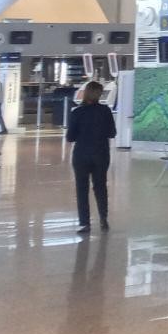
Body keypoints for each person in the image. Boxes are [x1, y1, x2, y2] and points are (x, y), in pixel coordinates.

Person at [65, 79, 115, 233]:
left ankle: (85, 223)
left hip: (81, 155)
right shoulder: (105, 111)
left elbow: (70, 137)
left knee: (82, 188)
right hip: (101, 154)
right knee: (100, 187)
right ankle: (103, 219)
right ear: (100, 94)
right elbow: (112, 133)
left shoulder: (77, 112)